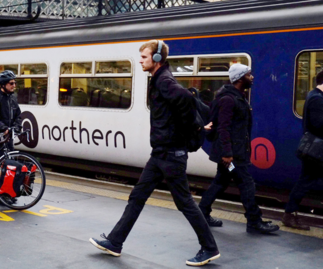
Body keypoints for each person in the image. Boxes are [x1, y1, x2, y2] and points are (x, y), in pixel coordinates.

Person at [89, 40, 220, 267]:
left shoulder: (165, 81)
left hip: (171, 154)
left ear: (157, 58)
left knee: (185, 203)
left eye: (144, 57)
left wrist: (194, 128)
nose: (140, 60)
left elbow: (186, 98)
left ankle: (209, 248)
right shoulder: (159, 79)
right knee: (137, 197)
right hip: (160, 153)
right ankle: (115, 241)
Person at [198, 64, 280, 234]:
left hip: (233, 153)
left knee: (221, 182)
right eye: (249, 75)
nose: (252, 77)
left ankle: (202, 212)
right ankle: (254, 221)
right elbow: (223, 128)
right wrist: (228, 154)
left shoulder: (237, 97)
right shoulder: (229, 100)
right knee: (246, 183)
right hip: (232, 156)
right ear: (240, 78)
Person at [282, 70, 323, 230]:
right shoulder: (317, 99)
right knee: (305, 182)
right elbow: (319, 124)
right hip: (316, 150)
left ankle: (289, 214)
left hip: (315, 149)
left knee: (305, 181)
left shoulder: (315, 96)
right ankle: (289, 214)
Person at [0, 70, 22, 156]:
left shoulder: (12, 98)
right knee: (1, 162)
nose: (14, 85)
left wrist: (17, 127)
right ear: (3, 84)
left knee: (10, 161)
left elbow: (18, 114)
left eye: (15, 83)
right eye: (11, 83)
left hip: (8, 136)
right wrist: (3, 127)